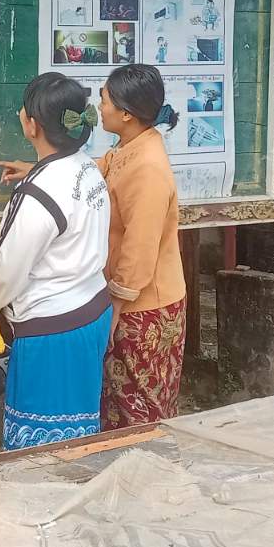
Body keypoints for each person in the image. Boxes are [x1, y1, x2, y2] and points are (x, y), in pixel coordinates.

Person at [0, 73, 111, 451]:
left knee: (39, 450)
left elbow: (6, 273)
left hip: (52, 329)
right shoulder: (87, 166)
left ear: (32, 125)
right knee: (77, 432)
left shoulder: (38, 195)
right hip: (92, 311)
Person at [95, 65, 187, 429]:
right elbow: (100, 168)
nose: (99, 107)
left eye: (104, 100)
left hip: (144, 307)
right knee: (124, 404)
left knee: (141, 411)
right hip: (136, 301)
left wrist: (116, 304)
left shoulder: (147, 167)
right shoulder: (130, 147)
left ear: (126, 113)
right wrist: (37, 168)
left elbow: (140, 246)